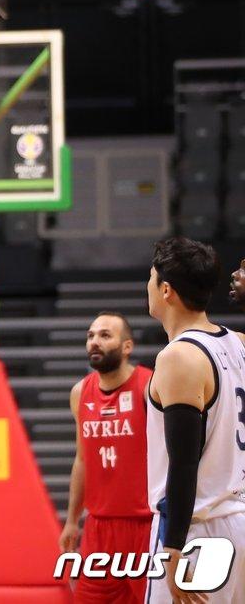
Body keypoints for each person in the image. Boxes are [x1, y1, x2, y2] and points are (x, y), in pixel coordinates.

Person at [146, 237, 245, 603]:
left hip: (196, 531)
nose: (148, 287)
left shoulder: (179, 356)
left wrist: (172, 547)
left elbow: (183, 464)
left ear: (166, 290)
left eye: (151, 278)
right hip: (236, 520)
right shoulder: (238, 343)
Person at [57, 311, 152, 604]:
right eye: (91, 336)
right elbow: (82, 460)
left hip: (146, 525)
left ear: (127, 347)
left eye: (105, 335)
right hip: (99, 528)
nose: (94, 342)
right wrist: (72, 520)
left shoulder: (150, 386)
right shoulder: (80, 392)